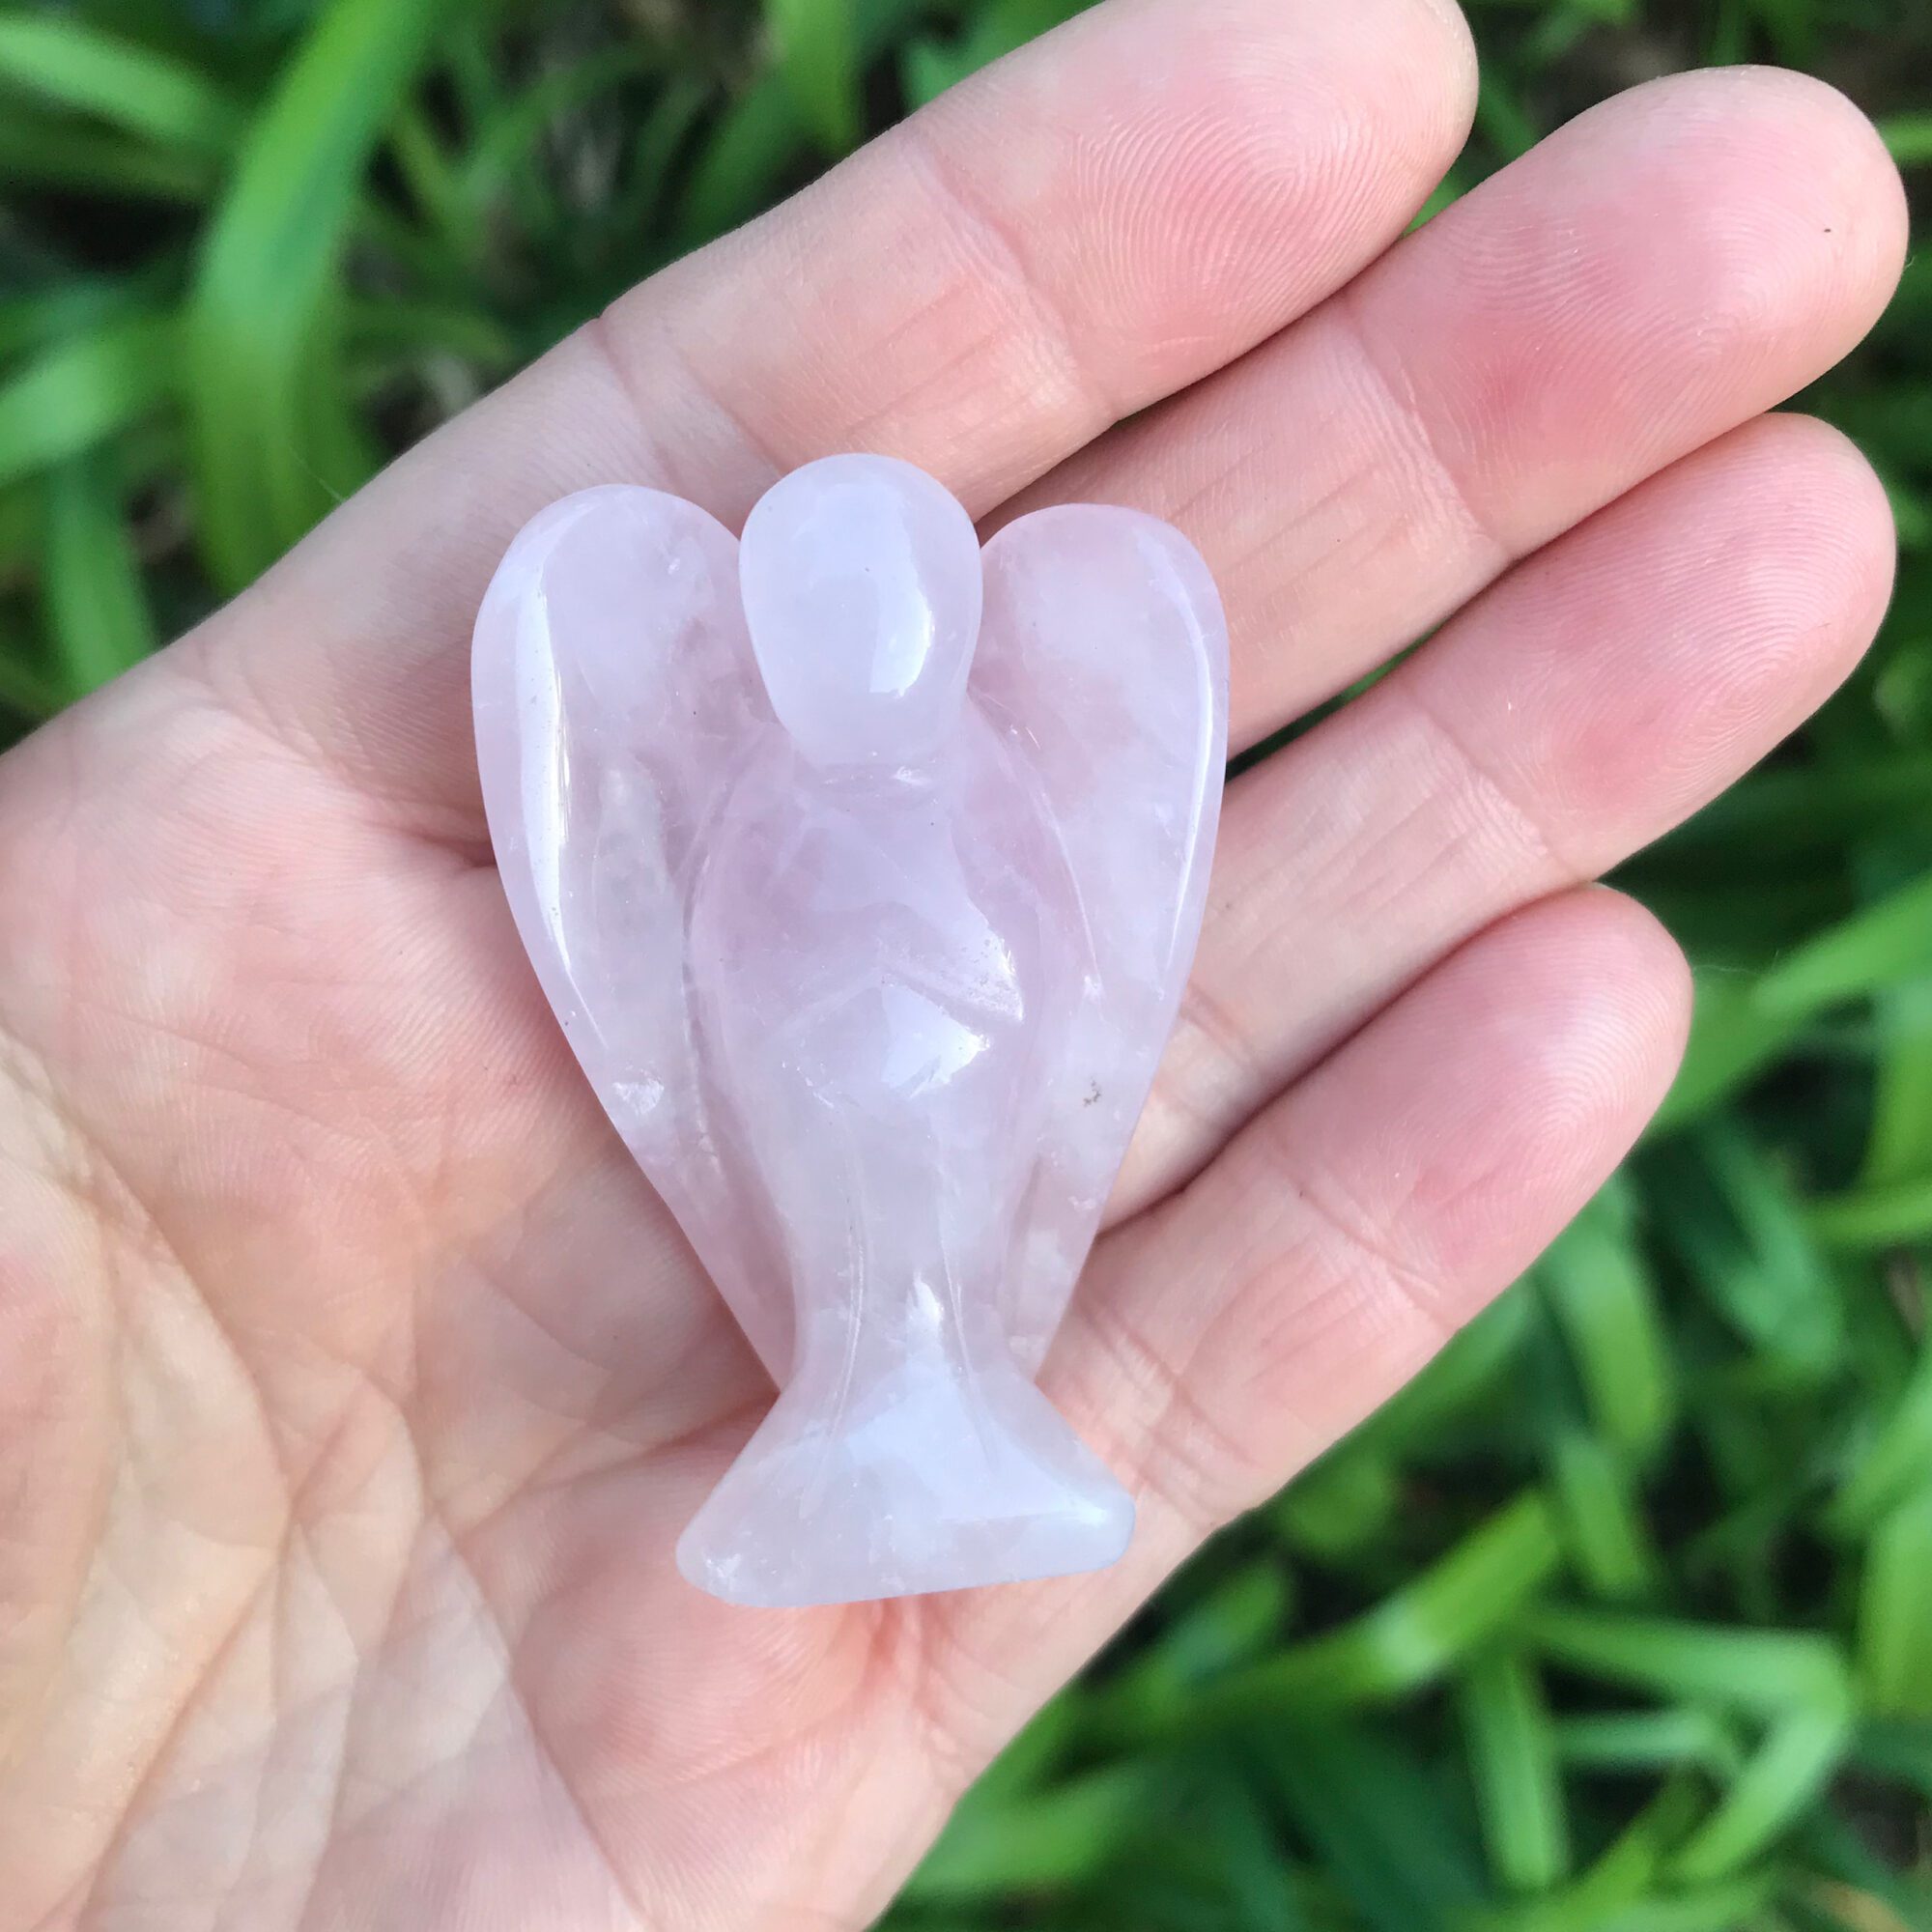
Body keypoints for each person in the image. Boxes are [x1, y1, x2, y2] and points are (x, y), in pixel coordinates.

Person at [0, 0, 1907, 1923]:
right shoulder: (736, 784)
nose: (860, 648)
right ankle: (855, 1395)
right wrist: (828, 1009)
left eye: (886, 604)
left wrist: (952, 997)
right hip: (811, 1095)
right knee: (840, 1229)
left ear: (938, 612)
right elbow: (704, 977)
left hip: (965, 1080)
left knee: (938, 1218)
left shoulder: (1012, 747)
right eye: (818, 615)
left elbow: (1054, 947)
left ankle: (933, 1395)